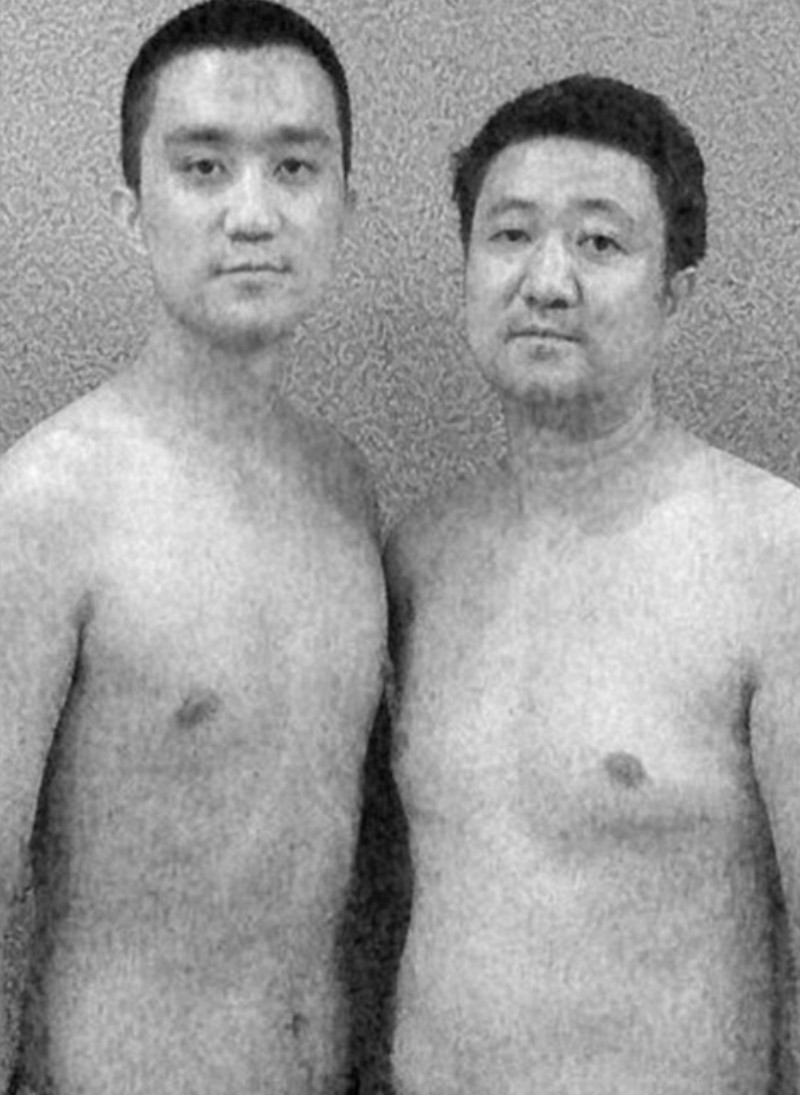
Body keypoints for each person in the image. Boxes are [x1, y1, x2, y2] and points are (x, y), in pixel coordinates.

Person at [385, 73, 800, 1095]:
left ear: (674, 292)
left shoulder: (771, 557)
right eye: (509, 234)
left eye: (600, 242)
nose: (547, 280)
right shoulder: (420, 556)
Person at [0, 2, 387, 1092]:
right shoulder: (49, 501)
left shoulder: (344, 485)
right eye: (203, 167)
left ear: (345, 205)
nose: (252, 214)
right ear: (133, 210)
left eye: (295, 168)